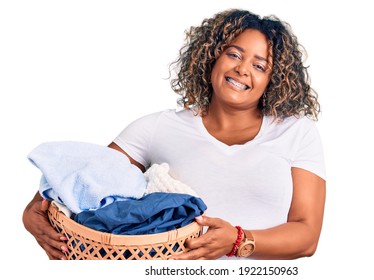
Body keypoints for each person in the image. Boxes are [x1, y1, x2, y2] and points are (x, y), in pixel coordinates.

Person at [22, 9, 326, 260]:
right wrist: (31, 213)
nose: (243, 69)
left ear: (273, 80)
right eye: (234, 54)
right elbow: (86, 177)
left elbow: (307, 235)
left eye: (260, 65)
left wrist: (238, 240)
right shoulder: (158, 128)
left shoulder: (296, 132)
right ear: (212, 57)